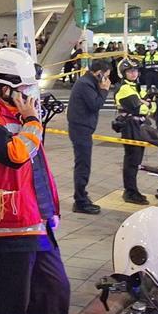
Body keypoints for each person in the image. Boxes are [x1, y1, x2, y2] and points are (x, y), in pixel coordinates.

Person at [0, 48, 70, 314]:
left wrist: (51, 211)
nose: (29, 94)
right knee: (13, 307)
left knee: (54, 292)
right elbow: (16, 156)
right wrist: (33, 121)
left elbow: (37, 170)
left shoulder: (20, 118)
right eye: (23, 88)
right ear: (2, 89)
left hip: (36, 223)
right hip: (7, 231)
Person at [113, 59, 158, 205]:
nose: (133, 73)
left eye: (135, 70)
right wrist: (147, 104)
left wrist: (147, 104)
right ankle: (130, 192)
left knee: (136, 159)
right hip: (131, 125)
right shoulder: (125, 88)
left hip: (139, 124)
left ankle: (132, 190)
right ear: (123, 73)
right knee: (132, 159)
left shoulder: (136, 87)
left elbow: (151, 107)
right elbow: (139, 108)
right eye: (130, 71)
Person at [65, 59, 112, 214]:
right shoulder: (85, 84)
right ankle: (80, 200)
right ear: (99, 73)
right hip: (80, 129)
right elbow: (95, 104)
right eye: (106, 76)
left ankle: (82, 196)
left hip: (82, 128)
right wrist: (104, 90)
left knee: (84, 163)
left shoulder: (88, 82)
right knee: (83, 164)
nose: (107, 80)